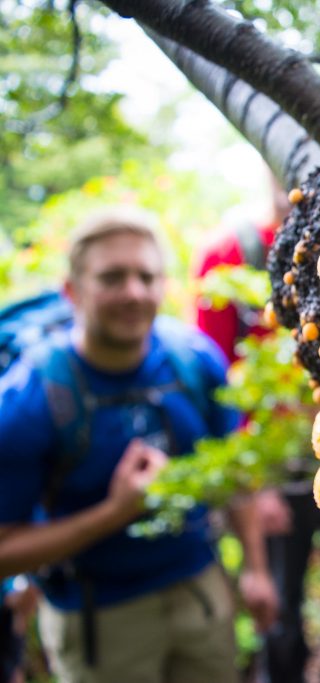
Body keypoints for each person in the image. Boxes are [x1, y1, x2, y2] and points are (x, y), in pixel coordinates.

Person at [0, 207, 276, 682]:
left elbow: (236, 469)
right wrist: (115, 512)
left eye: (146, 276)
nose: (133, 292)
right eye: (112, 277)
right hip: (97, 618)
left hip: (200, 594)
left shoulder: (194, 360)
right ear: (73, 291)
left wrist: (255, 568)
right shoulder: (31, 398)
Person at [194, 184, 320, 683]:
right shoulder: (228, 254)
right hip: (277, 472)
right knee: (282, 607)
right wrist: (257, 485)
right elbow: (217, 381)